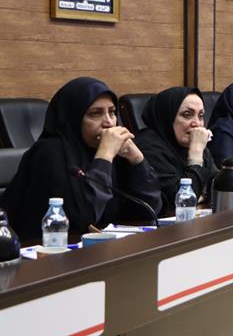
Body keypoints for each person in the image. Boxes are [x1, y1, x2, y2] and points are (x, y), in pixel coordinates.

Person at [0, 77, 162, 241]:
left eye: (112, 112)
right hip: (47, 250)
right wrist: (104, 155)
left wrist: (137, 160)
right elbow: (83, 218)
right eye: (95, 114)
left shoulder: (116, 153)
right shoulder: (50, 152)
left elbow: (151, 209)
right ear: (74, 118)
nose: (108, 122)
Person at [135, 87, 218, 214]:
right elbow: (180, 201)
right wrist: (195, 154)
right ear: (167, 116)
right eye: (187, 115)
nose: (197, 123)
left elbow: (218, 186)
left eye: (201, 116)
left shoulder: (197, 146)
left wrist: (203, 194)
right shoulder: (148, 147)